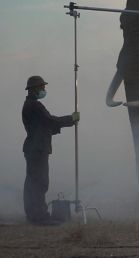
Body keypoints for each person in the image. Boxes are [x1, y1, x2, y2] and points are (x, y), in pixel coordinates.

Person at [22, 75, 79, 225]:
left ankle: (35, 215)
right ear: (34, 89)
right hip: (37, 149)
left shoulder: (30, 105)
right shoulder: (35, 106)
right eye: (42, 87)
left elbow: (45, 127)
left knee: (34, 182)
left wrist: (68, 121)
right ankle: (39, 217)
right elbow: (49, 121)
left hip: (35, 148)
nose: (44, 90)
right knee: (39, 182)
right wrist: (70, 119)